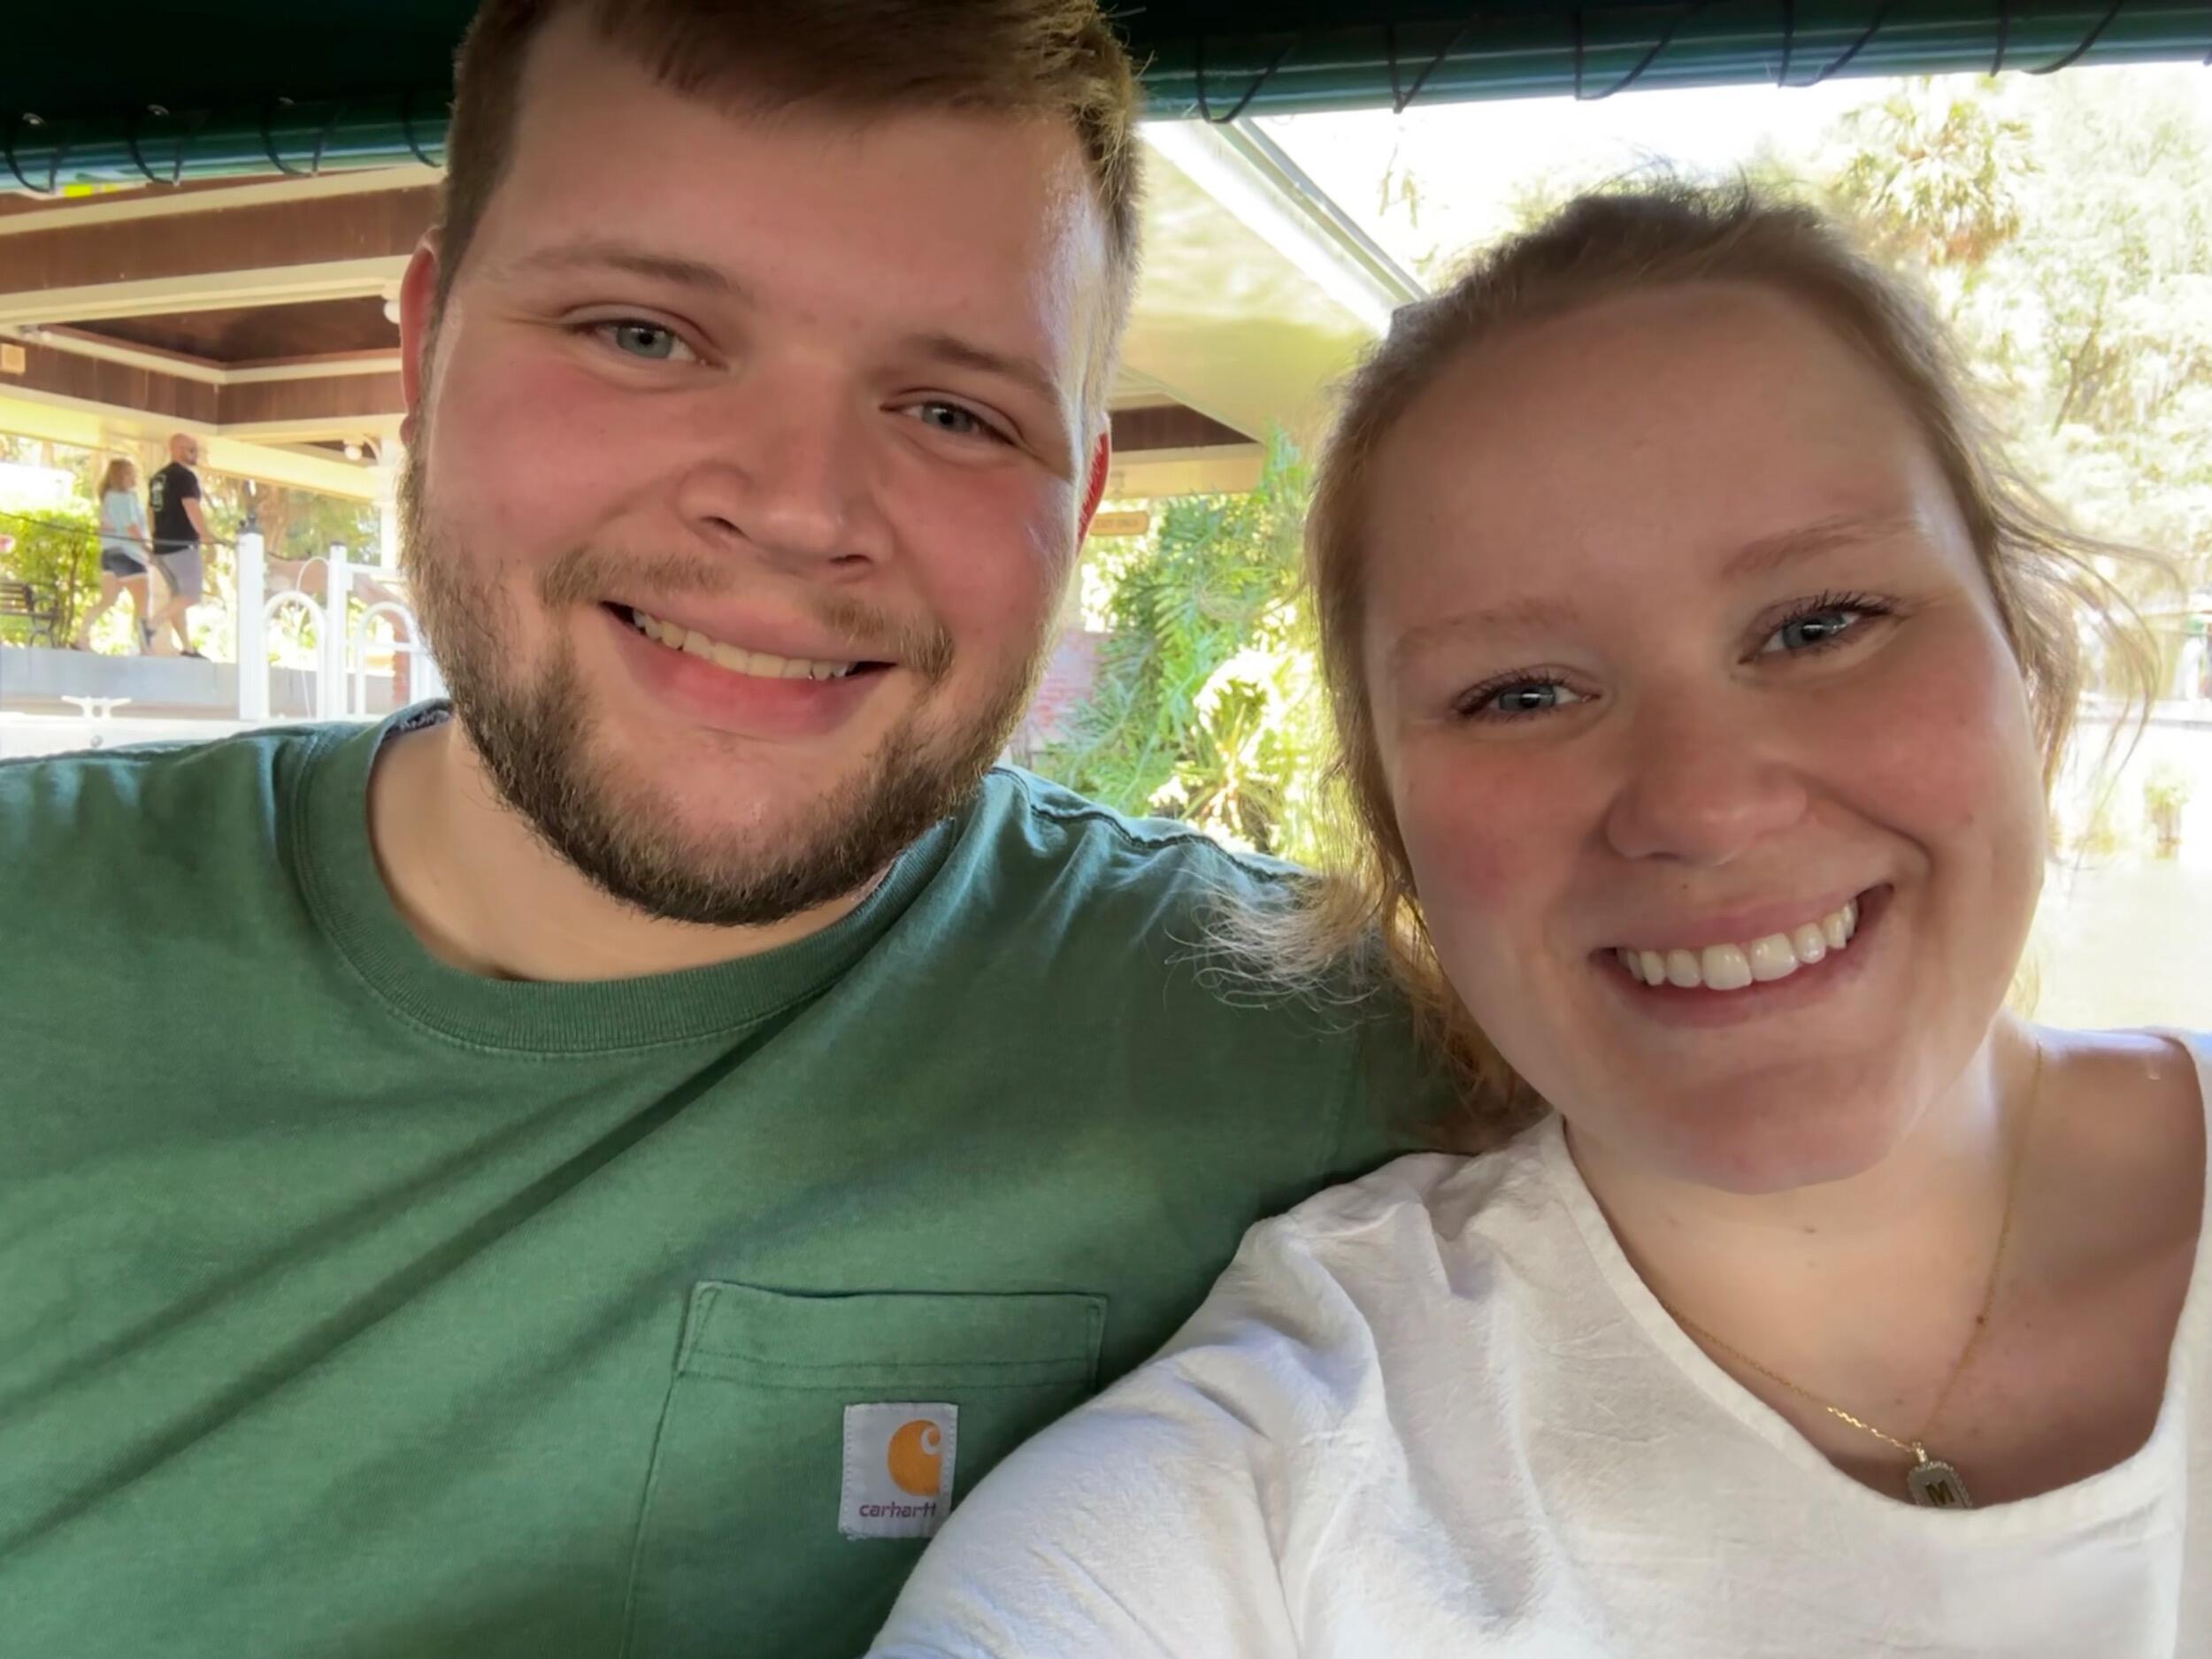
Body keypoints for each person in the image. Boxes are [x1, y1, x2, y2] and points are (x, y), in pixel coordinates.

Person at [0, 4, 1446, 1657]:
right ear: (423, 359)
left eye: (958, 413)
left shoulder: (1295, 1041)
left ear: (1083, 501)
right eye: (640, 334)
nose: (797, 504)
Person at [871, 183, 2212, 1657]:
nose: (1700, 806)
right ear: (1393, 829)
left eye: (1820, 624)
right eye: (1519, 694)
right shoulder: (1256, 1493)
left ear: (2023, 651)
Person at [71, 456, 153, 652]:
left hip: (109, 554)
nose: (134, 478)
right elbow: (132, 528)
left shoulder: (108, 498)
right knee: (142, 602)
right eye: (130, 474)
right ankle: (143, 647)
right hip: (129, 555)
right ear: (121, 476)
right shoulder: (126, 498)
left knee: (107, 600)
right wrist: (148, 551)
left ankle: (81, 637)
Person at [146, 429, 210, 657]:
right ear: (178, 450)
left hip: (162, 547)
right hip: (181, 545)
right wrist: (206, 536)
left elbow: (151, 511)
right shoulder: (185, 477)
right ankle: (151, 625)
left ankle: (187, 647)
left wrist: (155, 539)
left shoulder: (158, 478)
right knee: (191, 595)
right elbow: (190, 506)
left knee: (177, 597)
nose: (195, 455)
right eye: (192, 450)